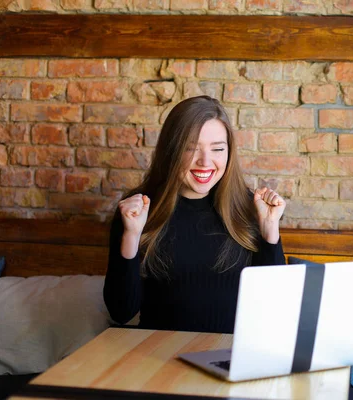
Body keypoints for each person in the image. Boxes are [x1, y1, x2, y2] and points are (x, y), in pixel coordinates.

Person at [103, 96, 286, 334]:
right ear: (171, 151)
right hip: (159, 358)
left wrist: (270, 230)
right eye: (191, 149)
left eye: (217, 149)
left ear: (229, 153)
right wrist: (131, 235)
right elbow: (121, 311)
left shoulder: (250, 208)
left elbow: (275, 306)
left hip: (230, 358)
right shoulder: (137, 211)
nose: (205, 162)